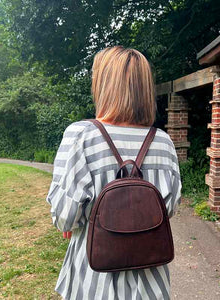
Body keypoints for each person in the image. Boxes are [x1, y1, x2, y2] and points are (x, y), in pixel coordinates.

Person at [46, 45, 182, 300]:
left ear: (104, 85)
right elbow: (168, 209)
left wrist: (74, 218)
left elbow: (64, 218)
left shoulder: (81, 136)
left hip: (93, 283)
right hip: (151, 283)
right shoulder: (163, 141)